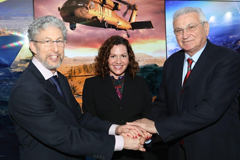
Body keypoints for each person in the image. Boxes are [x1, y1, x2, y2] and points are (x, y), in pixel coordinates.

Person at [8, 15, 147, 160]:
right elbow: (64, 137)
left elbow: (79, 118)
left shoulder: (59, 79)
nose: (55, 49)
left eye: (60, 41)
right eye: (47, 41)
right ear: (33, 46)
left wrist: (117, 129)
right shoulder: (26, 90)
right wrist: (121, 142)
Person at [128, 7, 240, 160]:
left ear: (206, 27)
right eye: (178, 30)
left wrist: (157, 127)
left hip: (214, 150)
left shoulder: (227, 59)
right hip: (177, 150)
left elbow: (210, 110)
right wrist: (146, 126)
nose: (185, 35)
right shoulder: (172, 63)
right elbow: (163, 103)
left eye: (191, 27)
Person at [82, 35, 159, 160]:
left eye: (123, 56)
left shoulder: (141, 83)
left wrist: (147, 137)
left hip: (139, 152)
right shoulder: (91, 85)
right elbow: (90, 123)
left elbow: (149, 116)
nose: (118, 61)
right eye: (113, 56)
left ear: (129, 58)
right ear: (105, 59)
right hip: (107, 154)